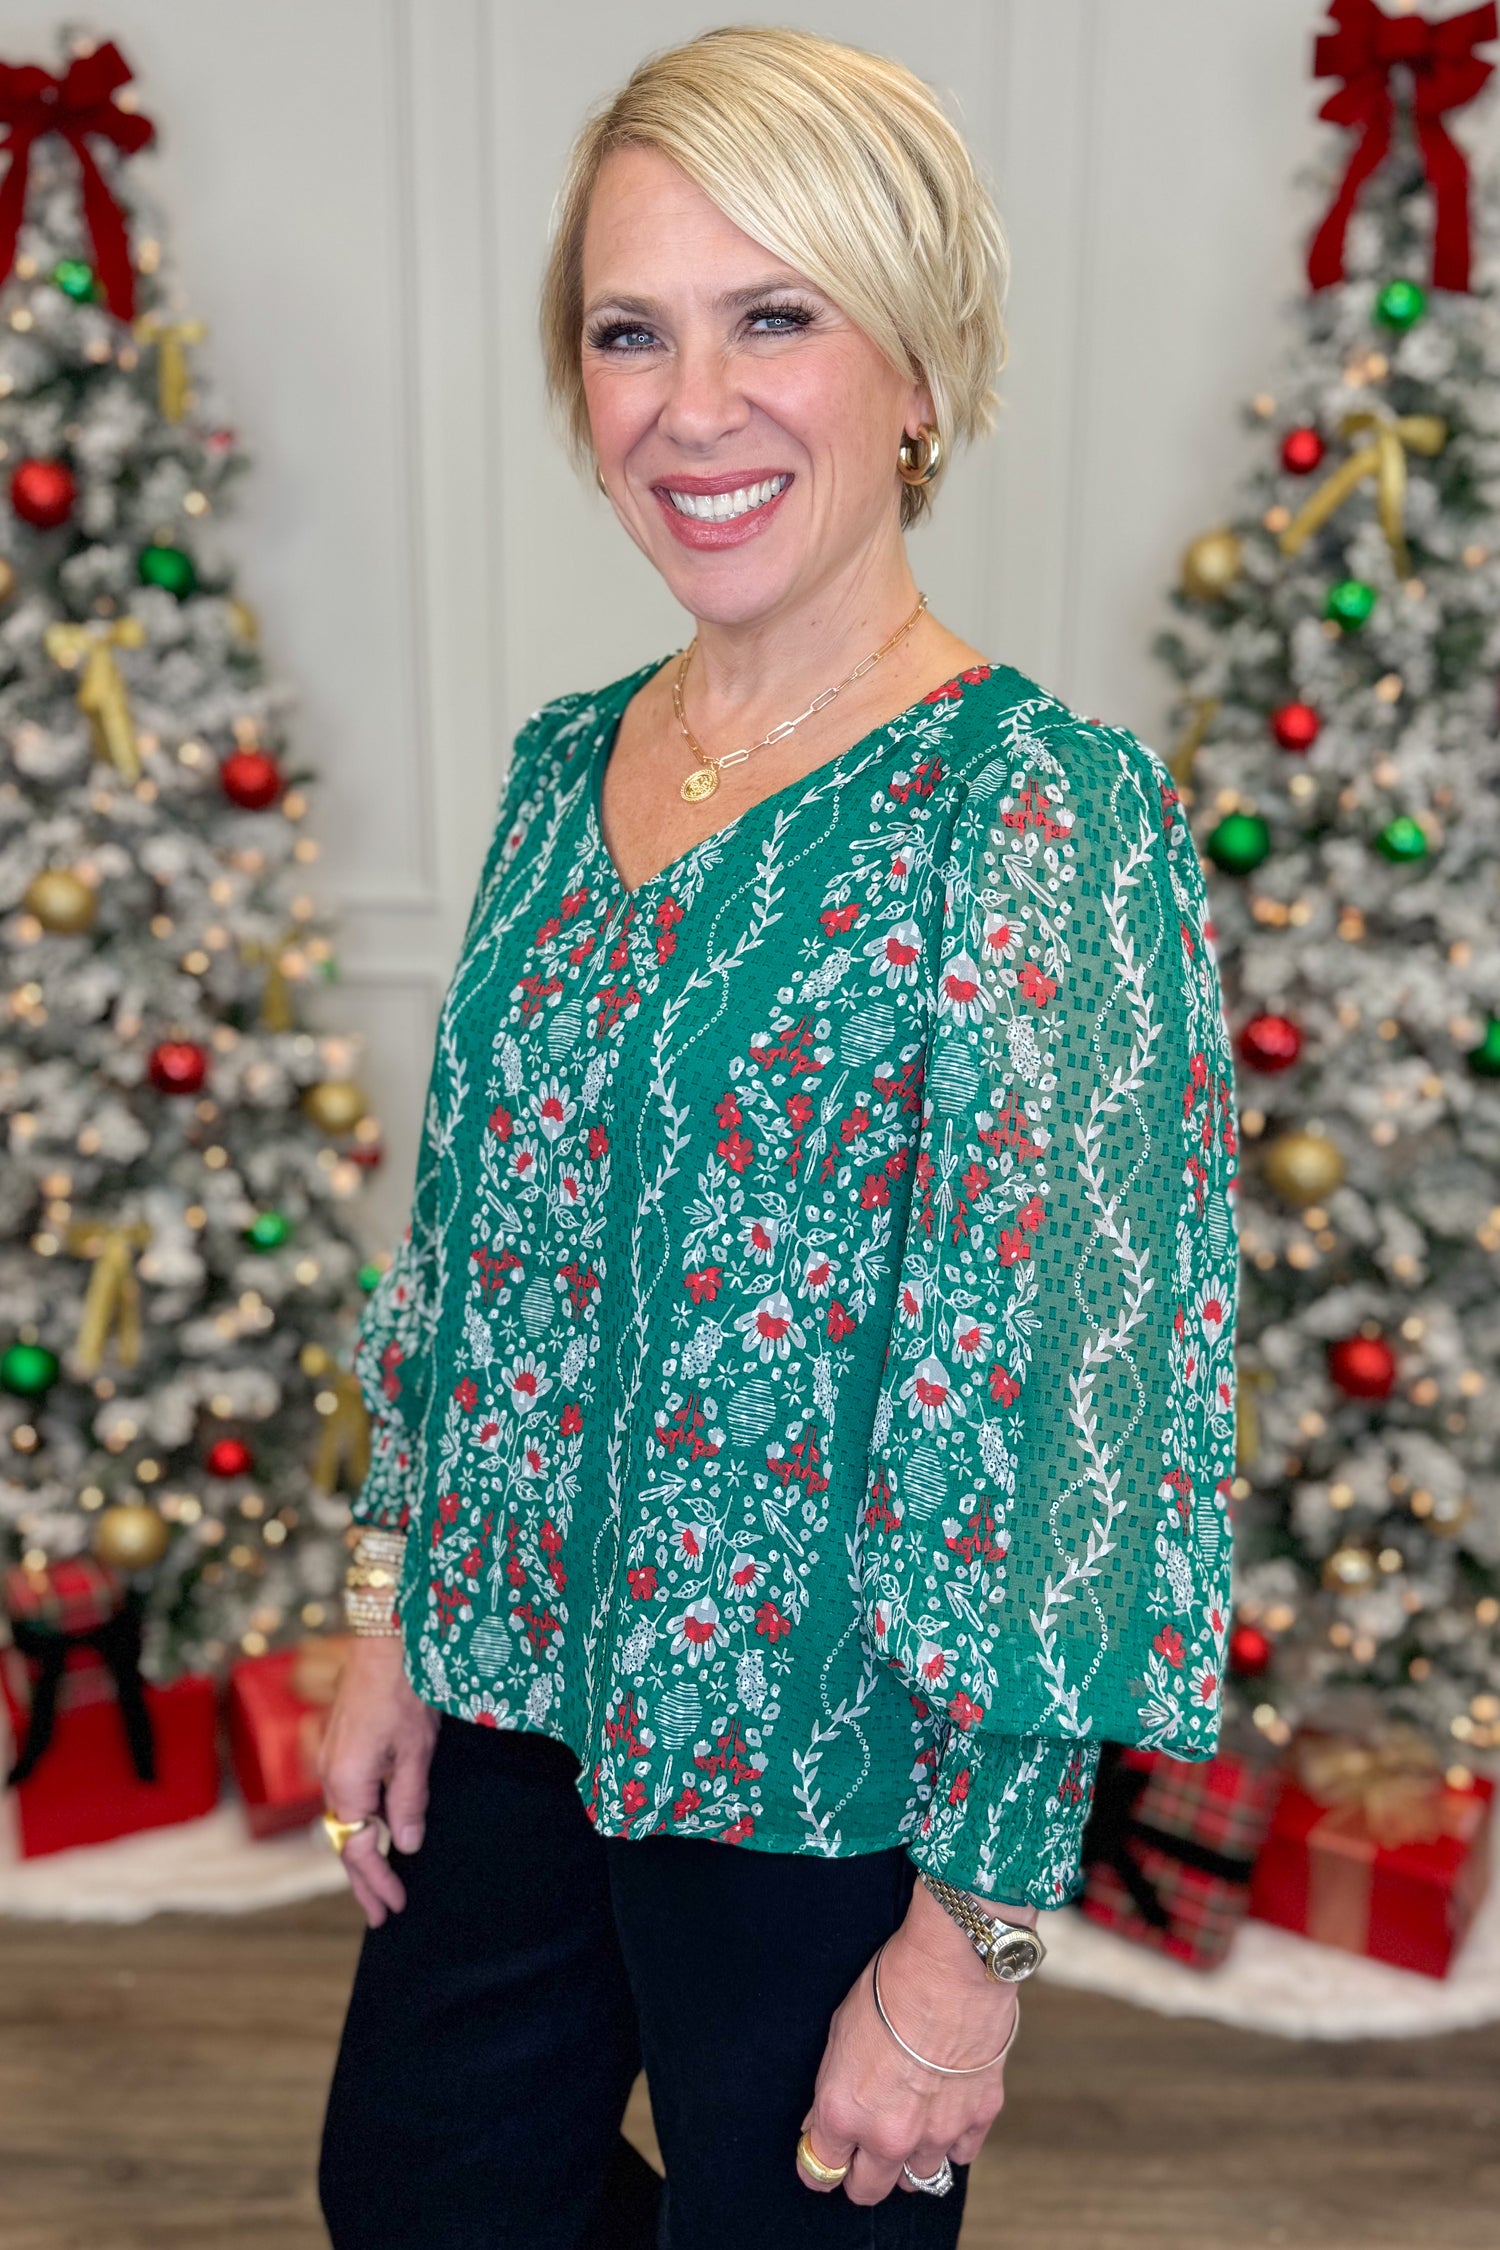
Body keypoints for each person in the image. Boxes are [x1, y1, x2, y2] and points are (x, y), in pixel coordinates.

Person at [317, 25, 1238, 2249]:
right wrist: (382, 1602)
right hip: (512, 1690)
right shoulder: (561, 767)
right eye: (631, 332)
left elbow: (1070, 1428)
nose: (691, 405)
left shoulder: (1040, 815)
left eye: (776, 317)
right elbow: (473, 1245)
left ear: (918, 369)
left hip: (825, 1775)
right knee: (421, 2193)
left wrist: (975, 1944)